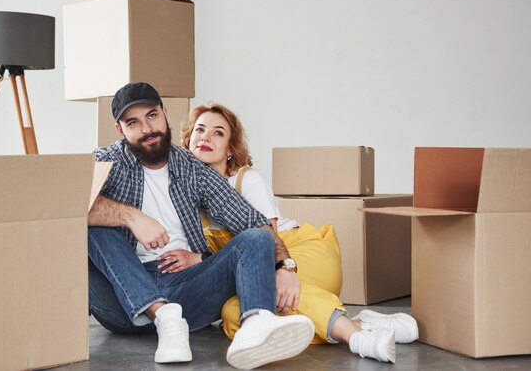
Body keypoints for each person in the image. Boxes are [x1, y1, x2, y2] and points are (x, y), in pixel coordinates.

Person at [87, 82, 316, 370]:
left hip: (187, 292)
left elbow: (252, 221)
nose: (147, 128)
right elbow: (64, 206)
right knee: (91, 222)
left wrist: (285, 267)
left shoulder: (192, 168)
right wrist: (131, 217)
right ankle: (162, 315)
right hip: (121, 301)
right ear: (120, 130)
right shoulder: (107, 161)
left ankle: (255, 326)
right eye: (133, 122)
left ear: (165, 114)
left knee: (257, 237)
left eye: (152, 115)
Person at [181, 103, 420, 363]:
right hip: (260, 273)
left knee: (268, 294)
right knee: (233, 314)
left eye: (218, 133)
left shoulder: (245, 180)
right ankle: (358, 322)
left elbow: (266, 239)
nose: (205, 137)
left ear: (230, 149)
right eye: (199, 130)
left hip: (298, 254)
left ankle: (357, 337)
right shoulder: (185, 194)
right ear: (189, 138)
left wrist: (285, 269)